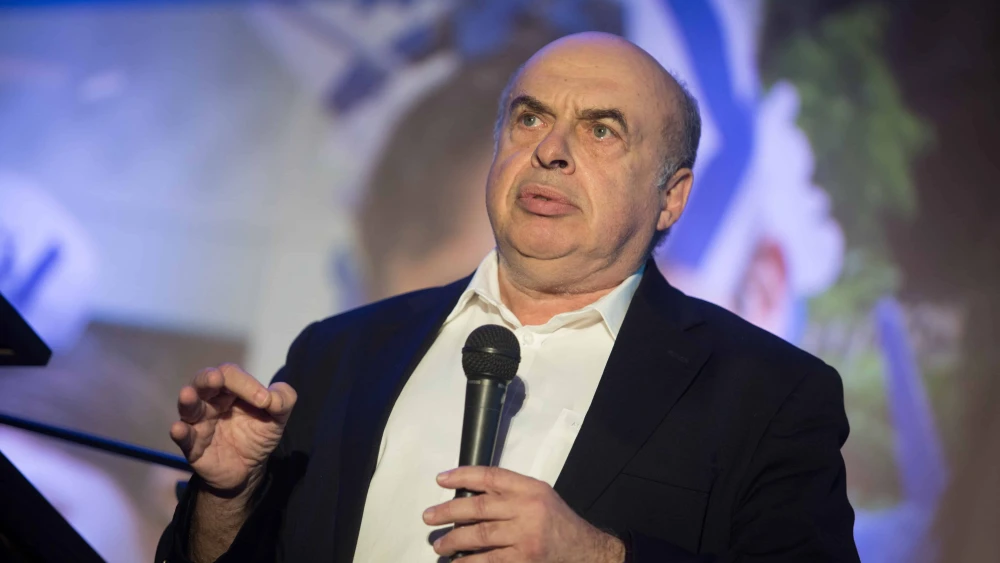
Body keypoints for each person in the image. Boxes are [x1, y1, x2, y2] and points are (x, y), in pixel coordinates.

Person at [158, 33, 860, 562]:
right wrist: (225, 498)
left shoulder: (768, 396)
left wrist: (598, 556)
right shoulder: (339, 352)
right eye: (529, 118)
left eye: (601, 128)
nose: (551, 149)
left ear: (671, 198)